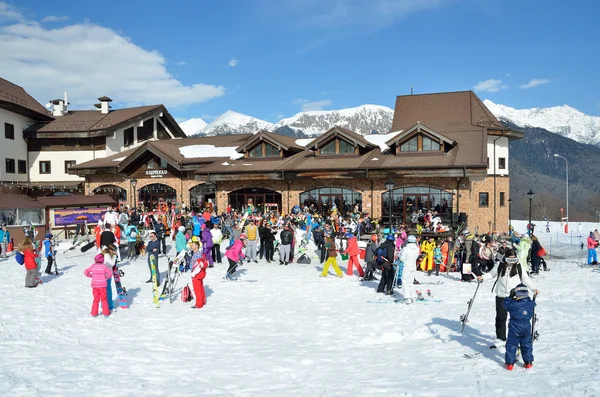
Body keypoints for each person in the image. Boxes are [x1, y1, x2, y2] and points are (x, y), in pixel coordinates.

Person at [477, 249, 539, 348]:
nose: (511, 262)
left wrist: (533, 288)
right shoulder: (500, 265)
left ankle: (515, 337)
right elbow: (491, 274)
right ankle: (501, 338)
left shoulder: (519, 267)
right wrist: (483, 278)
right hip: (501, 295)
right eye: (509, 260)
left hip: (515, 296)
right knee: (501, 317)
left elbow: (525, 278)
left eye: (513, 260)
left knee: (516, 318)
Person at [503, 284, 536, 370]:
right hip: (526, 327)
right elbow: (533, 303)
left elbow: (505, 304)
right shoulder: (530, 304)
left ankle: (510, 363)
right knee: (526, 344)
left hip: (515, 327)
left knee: (511, 345)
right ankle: (528, 362)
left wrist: (510, 296)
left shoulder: (513, 304)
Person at [84, 253, 113, 318]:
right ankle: (106, 314)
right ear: (102, 260)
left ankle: (94, 313)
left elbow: (85, 272)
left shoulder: (93, 266)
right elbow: (110, 273)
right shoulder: (104, 266)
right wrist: (106, 277)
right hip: (103, 286)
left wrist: (91, 276)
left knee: (96, 300)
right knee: (104, 299)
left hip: (95, 286)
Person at [399, 235, 420, 303]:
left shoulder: (406, 249)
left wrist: (400, 255)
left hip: (407, 266)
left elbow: (402, 258)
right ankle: (413, 296)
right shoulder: (417, 248)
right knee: (411, 282)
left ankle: (407, 297)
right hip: (413, 266)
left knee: (405, 282)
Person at [190, 240, 208, 309]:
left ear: (197, 246)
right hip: (198, 274)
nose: (192, 246)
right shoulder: (198, 253)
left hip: (196, 274)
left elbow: (198, 265)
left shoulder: (198, 255)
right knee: (200, 288)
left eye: (193, 245)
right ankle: (203, 301)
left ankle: (199, 304)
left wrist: (193, 273)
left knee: (197, 289)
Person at [102, 245, 117, 312]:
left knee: (108, 289)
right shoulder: (107, 255)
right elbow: (111, 263)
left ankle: (107, 304)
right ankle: (108, 305)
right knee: (108, 290)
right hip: (106, 274)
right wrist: (115, 256)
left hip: (108, 273)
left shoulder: (107, 254)